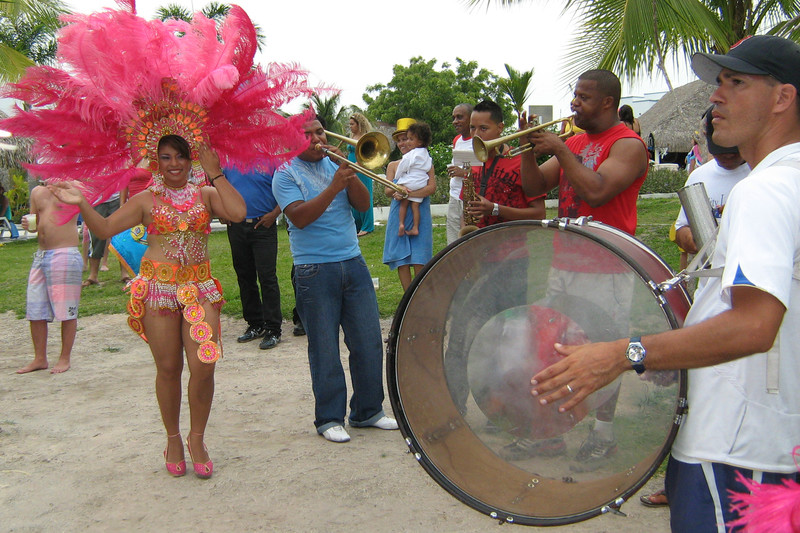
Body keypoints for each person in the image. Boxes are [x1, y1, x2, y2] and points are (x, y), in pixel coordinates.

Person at [530, 35, 800, 532]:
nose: (715, 96)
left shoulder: (764, 191)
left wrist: (625, 353)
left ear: (783, 98)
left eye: (735, 83)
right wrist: (673, 357)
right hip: (773, 440)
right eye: (718, 83)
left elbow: (755, 326)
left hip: (737, 448)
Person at [51, 135, 246, 479]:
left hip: (199, 288)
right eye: (166, 157)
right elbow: (107, 228)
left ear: (191, 159)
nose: (174, 164)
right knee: (169, 368)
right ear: (156, 161)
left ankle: (197, 439)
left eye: (181, 157)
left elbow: (238, 213)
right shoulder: (146, 199)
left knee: (204, 365)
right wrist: (81, 202)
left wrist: (215, 173)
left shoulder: (207, 194)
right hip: (158, 290)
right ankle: (173, 439)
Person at [514, 69, 649, 464]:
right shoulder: (574, 141)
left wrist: (560, 150)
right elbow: (535, 188)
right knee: (551, 349)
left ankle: (604, 434)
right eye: (574, 95)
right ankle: (551, 431)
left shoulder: (628, 145)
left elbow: (596, 189)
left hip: (606, 267)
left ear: (607, 102)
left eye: (583, 97)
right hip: (565, 261)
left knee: (604, 349)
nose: (574, 103)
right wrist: (526, 148)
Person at [641, 105, 750, 509]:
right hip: (707, 295)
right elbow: (683, 229)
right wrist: (697, 238)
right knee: (694, 392)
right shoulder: (701, 174)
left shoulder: (765, 177)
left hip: (747, 299)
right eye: (719, 150)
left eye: (733, 151)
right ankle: (678, 481)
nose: (727, 157)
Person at [272, 115, 398, 443]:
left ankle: (368, 411)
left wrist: (350, 175)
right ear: (291, 142)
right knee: (324, 347)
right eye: (307, 135)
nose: (316, 140)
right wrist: (333, 187)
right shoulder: (284, 174)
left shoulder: (335, 165)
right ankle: (329, 418)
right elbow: (299, 218)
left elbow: (363, 204)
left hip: (352, 262)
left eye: (319, 133)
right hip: (313, 270)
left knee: (368, 342)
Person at [443, 99, 545, 415]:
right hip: (480, 263)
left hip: (513, 264)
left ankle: (507, 412)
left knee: (509, 346)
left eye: (483, 128)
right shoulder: (475, 166)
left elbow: (538, 213)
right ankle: (453, 407)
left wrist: (495, 209)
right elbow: (465, 213)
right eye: (472, 128)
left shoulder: (520, 165)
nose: (476, 134)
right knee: (461, 338)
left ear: (501, 129)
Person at [16, 185, 81, 374]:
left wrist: (65, 184)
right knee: (35, 308)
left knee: (66, 309)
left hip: (65, 253)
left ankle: (64, 357)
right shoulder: (37, 191)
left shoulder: (73, 187)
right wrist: (29, 226)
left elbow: (84, 202)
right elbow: (35, 223)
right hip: (41, 255)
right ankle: (40, 358)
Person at [224, 167, 283, 350]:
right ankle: (255, 323)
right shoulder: (228, 164)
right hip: (237, 227)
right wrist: (224, 212)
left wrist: (274, 215)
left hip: (263, 226)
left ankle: (273, 328)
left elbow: (285, 190)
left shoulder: (270, 163)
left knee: (267, 277)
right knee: (244, 276)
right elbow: (220, 190)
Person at [382, 118, 436, 291]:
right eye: (399, 140)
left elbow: (432, 187)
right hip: (399, 215)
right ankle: (407, 297)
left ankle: (419, 296)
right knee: (401, 259)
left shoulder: (426, 162)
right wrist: (397, 190)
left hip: (420, 212)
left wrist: (410, 194)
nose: (402, 143)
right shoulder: (393, 165)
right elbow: (387, 191)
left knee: (420, 256)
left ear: (417, 141)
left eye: (406, 139)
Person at [394, 122, 433, 237]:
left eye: (410, 139)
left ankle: (401, 223)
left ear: (419, 142)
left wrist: (398, 178)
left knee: (404, 204)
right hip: (421, 182)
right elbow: (428, 166)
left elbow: (403, 165)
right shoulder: (426, 154)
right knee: (415, 206)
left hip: (410, 183)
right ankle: (415, 227)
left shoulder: (411, 154)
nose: (407, 142)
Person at [445, 103, 473, 244]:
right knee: (452, 242)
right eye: (454, 117)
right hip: (455, 195)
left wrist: (464, 173)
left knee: (469, 242)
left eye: (460, 117)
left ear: (471, 118)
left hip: (471, 199)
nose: (455, 121)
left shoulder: (480, 141)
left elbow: (485, 170)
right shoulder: (457, 140)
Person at [82, 193, 120, 287]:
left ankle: (125, 274)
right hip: (97, 199)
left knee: (121, 237)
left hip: (116, 198)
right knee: (96, 237)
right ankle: (93, 276)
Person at [346, 112, 375, 237]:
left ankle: (367, 226)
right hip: (352, 166)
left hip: (362, 167)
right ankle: (357, 225)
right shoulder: (351, 135)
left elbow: (369, 155)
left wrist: (359, 165)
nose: (350, 126)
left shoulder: (365, 137)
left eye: (352, 124)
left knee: (365, 194)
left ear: (359, 124)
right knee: (353, 195)